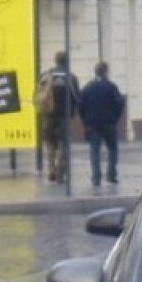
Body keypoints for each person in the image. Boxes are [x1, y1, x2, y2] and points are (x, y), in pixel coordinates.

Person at [37, 50, 80, 183]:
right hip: (64, 116)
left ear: (55, 61)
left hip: (47, 116)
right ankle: (60, 173)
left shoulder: (45, 76)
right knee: (63, 144)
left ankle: (51, 169)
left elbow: (38, 95)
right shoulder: (71, 77)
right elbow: (77, 98)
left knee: (50, 144)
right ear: (66, 61)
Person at [78, 61, 124, 186]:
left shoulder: (88, 87)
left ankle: (96, 177)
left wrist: (85, 121)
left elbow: (81, 106)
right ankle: (111, 175)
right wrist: (115, 119)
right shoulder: (111, 87)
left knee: (95, 151)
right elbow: (119, 104)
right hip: (109, 124)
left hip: (93, 124)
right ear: (106, 72)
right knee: (113, 149)